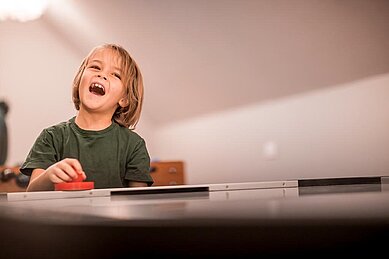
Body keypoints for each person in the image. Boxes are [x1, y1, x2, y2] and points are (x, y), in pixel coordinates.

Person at [20, 43, 154, 191]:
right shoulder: (51, 137)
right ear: (80, 81)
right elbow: (31, 194)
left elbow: (139, 202)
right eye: (95, 67)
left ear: (124, 99)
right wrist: (49, 176)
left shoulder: (134, 145)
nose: (101, 74)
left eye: (115, 74)